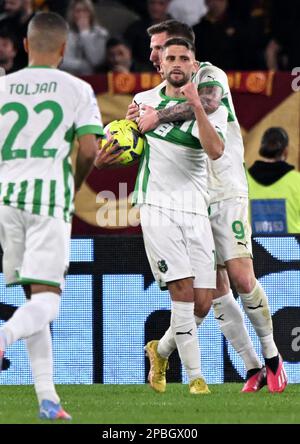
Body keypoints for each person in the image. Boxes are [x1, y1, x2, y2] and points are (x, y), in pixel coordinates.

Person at [127, 19, 287, 394]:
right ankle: (252, 368)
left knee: (243, 277)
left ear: (184, 49)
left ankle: (272, 357)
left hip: (224, 188)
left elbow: (208, 102)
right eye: (156, 52)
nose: (154, 56)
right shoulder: (154, 93)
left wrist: (155, 117)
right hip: (190, 196)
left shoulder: (209, 73)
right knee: (214, 293)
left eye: (160, 47)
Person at [0, 11, 105, 420]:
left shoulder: (2, 88)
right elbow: (91, 150)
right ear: (64, 49)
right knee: (50, 303)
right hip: (48, 201)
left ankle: (48, 399)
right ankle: (4, 334)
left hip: (6, 202)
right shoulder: (77, 88)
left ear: (25, 45)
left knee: (34, 299)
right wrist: (74, 184)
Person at [132, 37, 226, 394]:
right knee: (183, 291)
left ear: (193, 64)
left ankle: (161, 350)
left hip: (196, 209)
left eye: (183, 58)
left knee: (204, 301)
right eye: (169, 56)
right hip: (157, 207)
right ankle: (195, 378)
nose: (175, 62)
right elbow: (122, 143)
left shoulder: (206, 104)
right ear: (161, 63)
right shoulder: (142, 102)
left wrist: (197, 108)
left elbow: (216, 151)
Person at [247, 127, 300, 234]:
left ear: (262, 149)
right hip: (292, 249)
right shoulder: (297, 180)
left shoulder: (244, 179)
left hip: (253, 249)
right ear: (285, 151)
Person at [60, 0, 109, 75]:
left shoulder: (100, 33)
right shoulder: (63, 33)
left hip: (93, 77)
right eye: (78, 11)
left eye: (85, 11)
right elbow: (61, 61)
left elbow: (96, 60)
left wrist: (84, 33)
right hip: (70, 76)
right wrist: (82, 65)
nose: (81, 15)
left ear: (91, 13)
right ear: (72, 13)